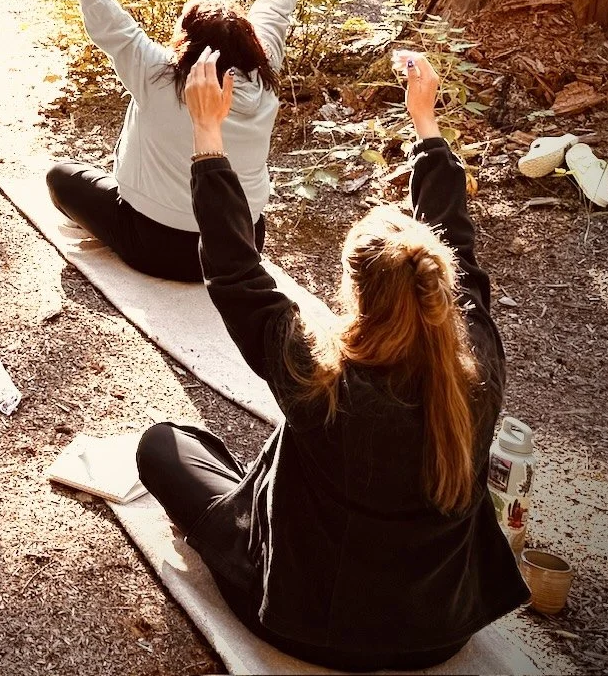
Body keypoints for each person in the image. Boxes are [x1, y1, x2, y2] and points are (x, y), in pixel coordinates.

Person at [136, 47, 528, 671]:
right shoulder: (476, 365)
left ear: (352, 292)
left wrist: (208, 132)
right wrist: (427, 128)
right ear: (438, 288)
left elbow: (234, 270)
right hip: (440, 632)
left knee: (162, 445)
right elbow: (461, 248)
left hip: (300, 625)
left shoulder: (314, 369)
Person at [42, 0, 337, 281]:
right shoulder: (264, 71)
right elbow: (275, 7)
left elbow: (111, 24)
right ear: (247, 40)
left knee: (60, 177)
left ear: (187, 39)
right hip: (240, 246)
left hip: (156, 247)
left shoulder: (156, 73)